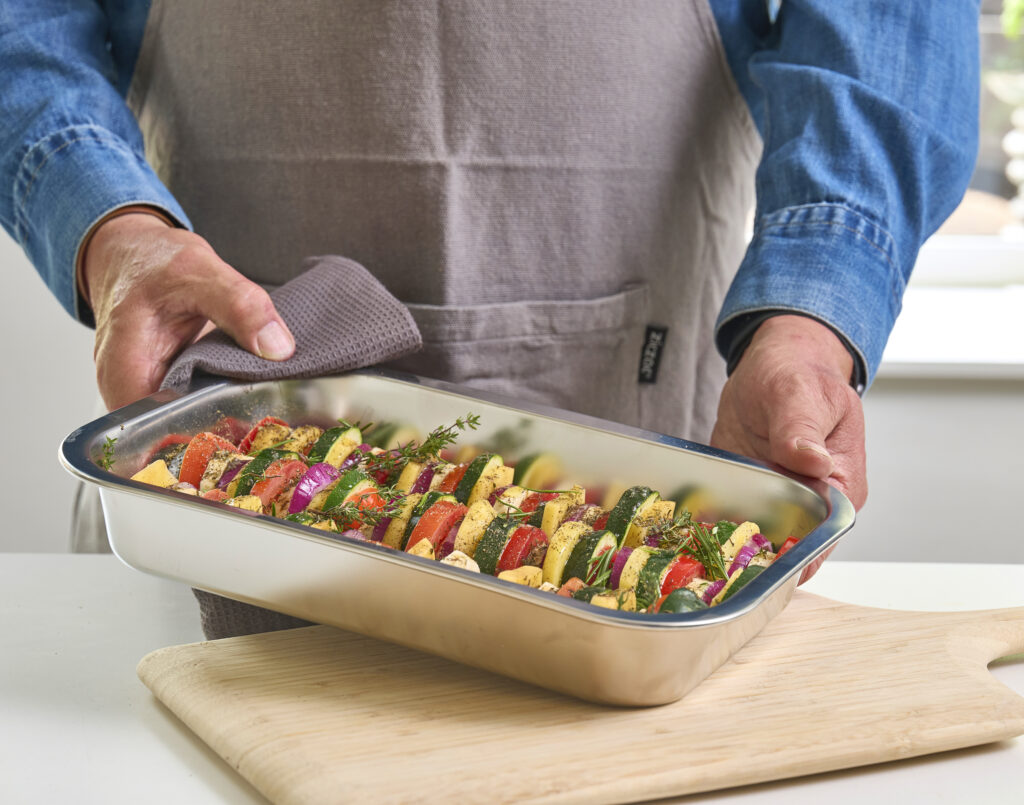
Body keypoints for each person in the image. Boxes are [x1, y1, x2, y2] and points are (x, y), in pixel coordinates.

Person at [2, 1, 980, 524]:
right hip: (213, 491)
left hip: (646, 462)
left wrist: (809, 320)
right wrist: (109, 225)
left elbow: (887, 28)